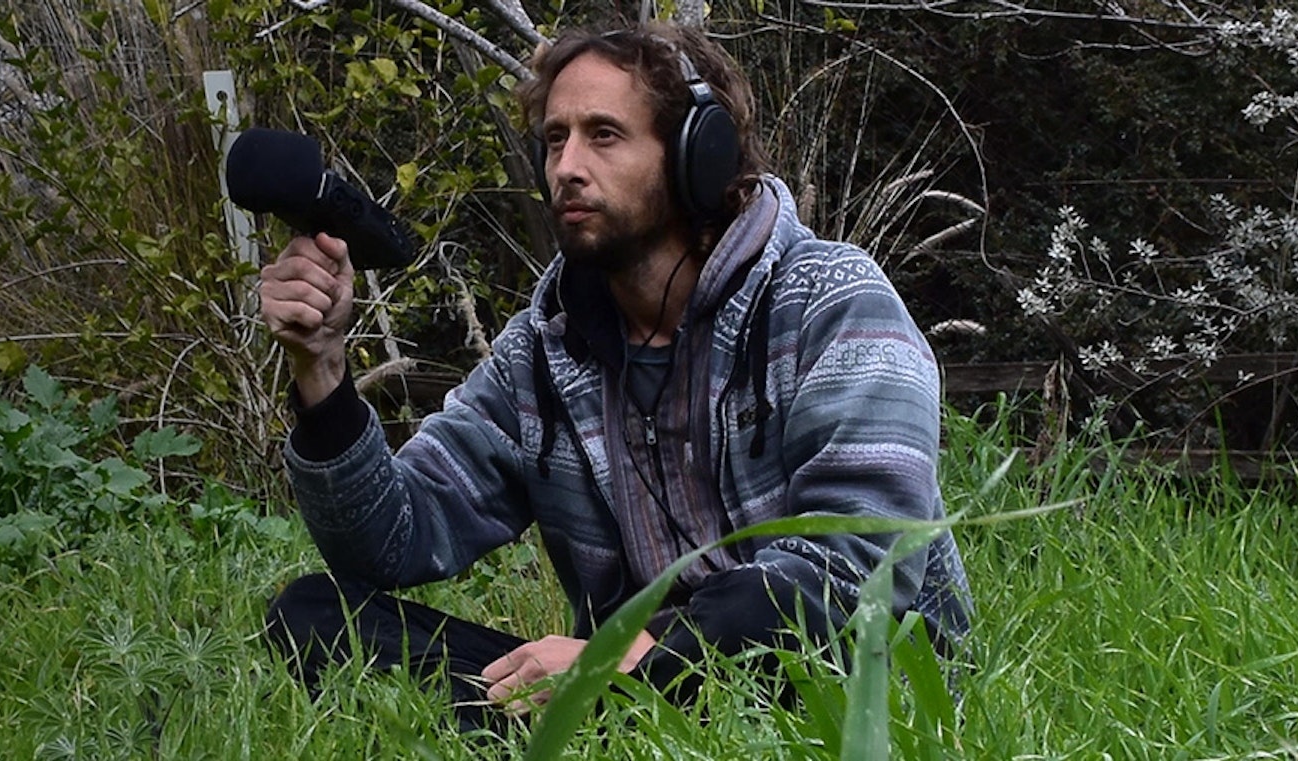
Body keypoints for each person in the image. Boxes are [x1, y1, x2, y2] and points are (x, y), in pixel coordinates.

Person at [254, 20, 966, 728]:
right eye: (556, 138)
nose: (566, 165)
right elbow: (393, 537)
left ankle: (548, 730)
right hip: (628, 691)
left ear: (699, 156)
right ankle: (573, 725)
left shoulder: (831, 300)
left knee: (811, 624)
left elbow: (869, 560)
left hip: (832, 684)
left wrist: (643, 653)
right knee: (316, 616)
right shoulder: (545, 348)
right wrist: (321, 368)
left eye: (603, 134)